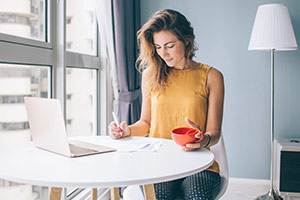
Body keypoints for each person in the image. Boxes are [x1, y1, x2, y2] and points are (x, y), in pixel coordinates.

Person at [109, 9, 224, 200]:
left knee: (197, 195)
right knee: (158, 196)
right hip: (159, 162)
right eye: (158, 46)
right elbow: (145, 123)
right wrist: (126, 131)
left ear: (186, 41)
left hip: (199, 163)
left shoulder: (212, 76)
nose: (163, 53)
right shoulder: (150, 75)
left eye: (169, 45)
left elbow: (215, 133)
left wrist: (201, 139)